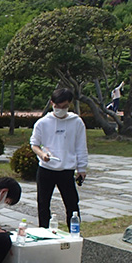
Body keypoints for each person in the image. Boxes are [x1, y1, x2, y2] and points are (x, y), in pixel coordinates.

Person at [30, 88, 88, 228]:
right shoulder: (42, 123)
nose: (60, 110)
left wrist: (82, 168)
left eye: (64, 107)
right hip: (46, 169)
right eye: (57, 106)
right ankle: (44, 231)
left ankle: (74, 232)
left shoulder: (76, 122)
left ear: (69, 104)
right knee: (43, 203)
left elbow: (81, 146)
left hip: (66, 169)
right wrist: (42, 154)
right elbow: (34, 144)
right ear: (52, 103)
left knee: (72, 204)